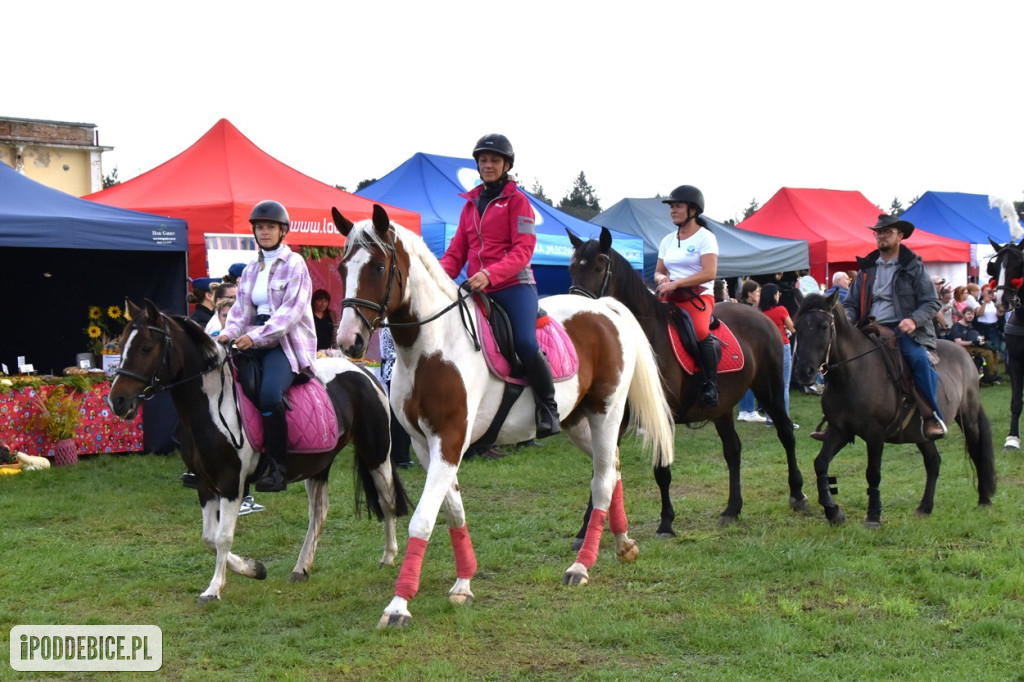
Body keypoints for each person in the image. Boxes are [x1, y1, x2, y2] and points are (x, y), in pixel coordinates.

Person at [439, 133, 560, 438]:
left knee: (524, 342)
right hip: (477, 287)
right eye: (483, 160)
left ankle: (548, 407)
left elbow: (523, 251)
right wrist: (436, 279)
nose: (488, 165)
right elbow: (455, 253)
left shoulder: (518, 201)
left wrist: (491, 275)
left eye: (494, 160)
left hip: (513, 285)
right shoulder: (469, 205)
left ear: (506, 165)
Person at [218, 200, 317, 491]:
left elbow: (291, 313)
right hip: (250, 340)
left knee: (271, 394)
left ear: (282, 230)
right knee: (223, 385)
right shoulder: (250, 269)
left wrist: (256, 337)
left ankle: (277, 467)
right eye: (259, 227)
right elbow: (239, 311)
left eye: (270, 227)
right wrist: (227, 334)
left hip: (284, 344)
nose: (264, 232)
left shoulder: (296, 264)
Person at [844, 215, 946, 440]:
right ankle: (836, 419)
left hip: (904, 329)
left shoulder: (913, 267)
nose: (881, 236)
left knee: (918, 359)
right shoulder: (867, 269)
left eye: (886, 232)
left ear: (900, 236)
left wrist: (913, 320)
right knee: (841, 358)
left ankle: (931, 416)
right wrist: (849, 317)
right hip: (869, 327)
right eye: (878, 233)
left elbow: (931, 302)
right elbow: (850, 303)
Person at [654, 184, 720, 408]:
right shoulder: (667, 241)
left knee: (701, 331)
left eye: (678, 206)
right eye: (671, 206)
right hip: (670, 296)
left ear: (693, 209)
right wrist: (662, 280)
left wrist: (677, 283)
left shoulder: (706, 238)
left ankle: (711, 383)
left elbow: (709, 273)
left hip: (698, 297)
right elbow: (659, 271)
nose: (673, 210)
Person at [758, 283, 797, 427]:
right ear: (774, 295)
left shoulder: (759, 312)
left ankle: (770, 418)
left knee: (770, 384)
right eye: (777, 293)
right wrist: (786, 328)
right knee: (784, 385)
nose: (779, 295)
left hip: (765, 349)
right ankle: (784, 419)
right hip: (782, 346)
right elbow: (793, 328)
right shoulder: (781, 310)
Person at [379, 327, 414, 467]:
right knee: (398, 416)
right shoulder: (389, 326)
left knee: (403, 415)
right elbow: (388, 352)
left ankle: (402, 454)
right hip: (393, 374)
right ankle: (399, 457)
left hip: (404, 374)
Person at [736, 280, 766, 423]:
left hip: (743, 347)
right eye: (757, 292)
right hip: (746, 348)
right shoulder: (748, 311)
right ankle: (747, 410)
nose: (759, 295)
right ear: (749, 293)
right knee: (750, 378)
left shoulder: (743, 308)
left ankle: (747, 409)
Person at [947, 307, 1001, 384]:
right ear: (963, 314)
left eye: (972, 314)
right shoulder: (957, 326)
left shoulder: (971, 325)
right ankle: (990, 377)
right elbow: (958, 342)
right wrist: (973, 342)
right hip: (961, 349)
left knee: (994, 351)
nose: (971, 316)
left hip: (972, 346)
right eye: (968, 314)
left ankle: (992, 373)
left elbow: (976, 336)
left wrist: (980, 339)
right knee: (988, 353)